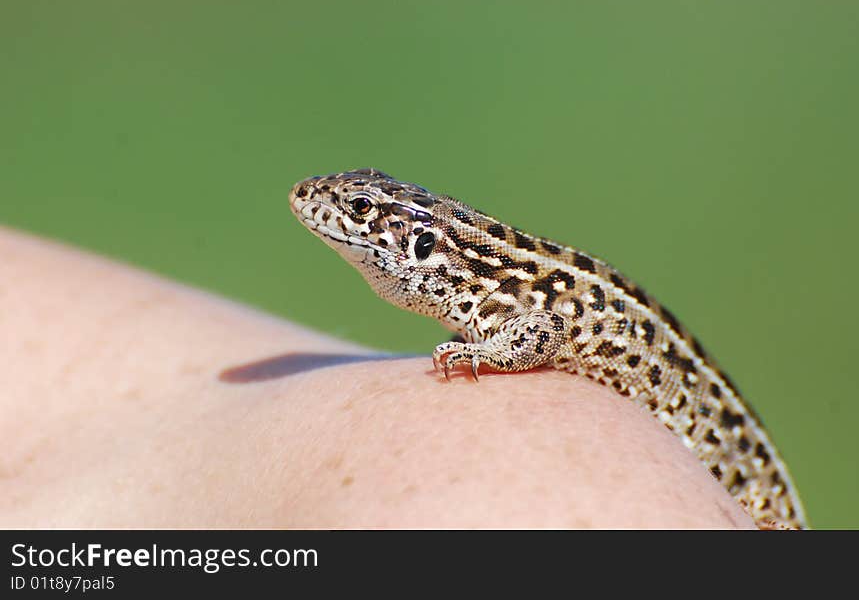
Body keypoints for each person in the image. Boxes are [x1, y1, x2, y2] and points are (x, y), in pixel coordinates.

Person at [0, 226, 753, 528]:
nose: (334, 218)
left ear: (424, 246)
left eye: (363, 212)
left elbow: (553, 328)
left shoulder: (516, 297)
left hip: (743, 485)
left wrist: (491, 354)